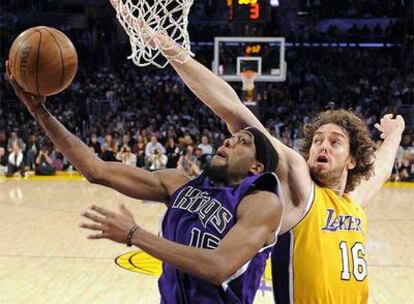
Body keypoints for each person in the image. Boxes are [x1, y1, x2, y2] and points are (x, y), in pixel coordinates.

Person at [122, 25, 406, 303]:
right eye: (318, 140)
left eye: (335, 142)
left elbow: (379, 171)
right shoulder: (302, 191)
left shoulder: (353, 202)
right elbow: (234, 109)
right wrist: (171, 49)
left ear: (352, 160)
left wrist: (395, 134)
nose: (323, 145)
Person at [6, 65, 283, 303]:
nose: (229, 141)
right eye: (232, 138)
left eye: (242, 143)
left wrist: (135, 234)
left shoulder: (261, 202)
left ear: (256, 168)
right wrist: (39, 111)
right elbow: (96, 169)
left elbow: (219, 266)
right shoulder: (178, 183)